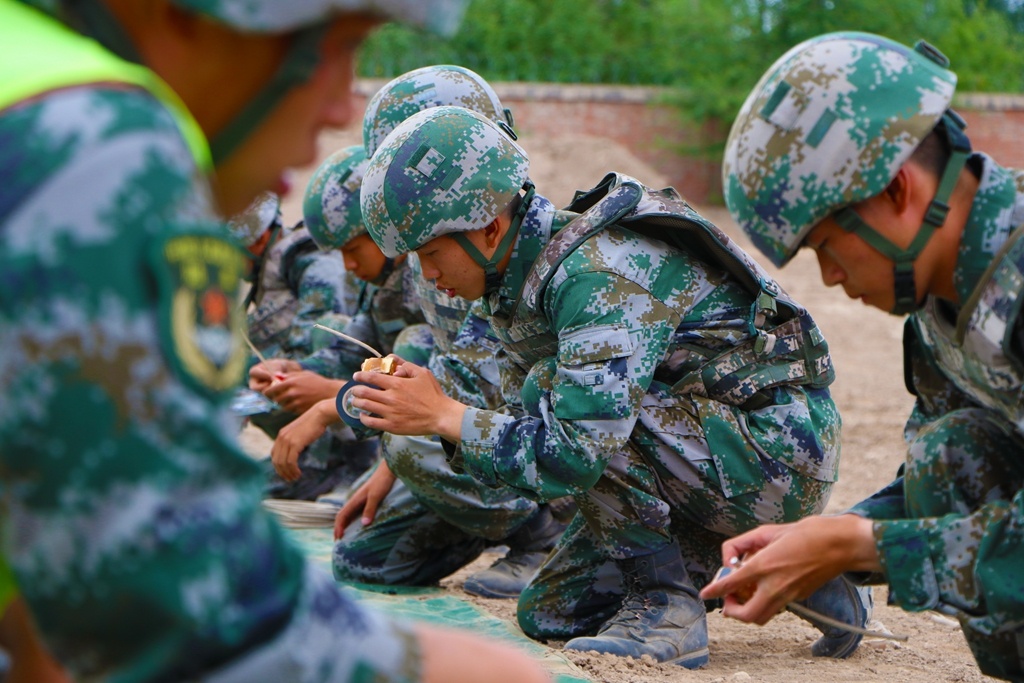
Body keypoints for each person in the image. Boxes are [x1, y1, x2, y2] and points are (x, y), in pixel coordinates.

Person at [0, 0, 552, 680]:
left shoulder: (28, 76)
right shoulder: (100, 140)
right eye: (333, 46)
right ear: (181, 17)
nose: (336, 105)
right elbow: (179, 594)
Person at [350, 104, 872, 668]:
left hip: (775, 454)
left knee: (560, 398)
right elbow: (528, 451)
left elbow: (574, 451)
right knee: (549, 614)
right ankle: (805, 568)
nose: (428, 275)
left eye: (430, 253)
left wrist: (444, 418)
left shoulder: (594, 275)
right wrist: (432, 413)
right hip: (708, 455)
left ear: (488, 227)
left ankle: (667, 606)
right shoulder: (519, 283)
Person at [702, 31, 1024, 680]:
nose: (829, 277)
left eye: (827, 244)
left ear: (896, 190)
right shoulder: (944, 298)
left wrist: (867, 545)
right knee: (948, 453)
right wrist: (831, 539)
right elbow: (937, 489)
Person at [275, 66, 566, 599]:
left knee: (413, 443)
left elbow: (474, 381)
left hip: (544, 449)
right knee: (367, 562)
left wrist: (335, 410)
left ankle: (543, 535)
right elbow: (449, 368)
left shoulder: (517, 248)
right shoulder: (430, 254)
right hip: (481, 437)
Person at [228, 190, 355, 363]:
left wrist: (247, 369)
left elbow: (312, 350)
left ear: (259, 239)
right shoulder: (273, 275)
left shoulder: (315, 266)